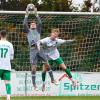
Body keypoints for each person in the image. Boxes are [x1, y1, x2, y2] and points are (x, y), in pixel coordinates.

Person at [23, 4, 58, 91]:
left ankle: (53, 79)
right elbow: (24, 23)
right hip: (32, 51)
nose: (33, 24)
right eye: (32, 24)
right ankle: (34, 85)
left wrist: (36, 14)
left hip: (40, 50)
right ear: (30, 26)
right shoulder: (28, 31)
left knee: (47, 65)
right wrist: (26, 14)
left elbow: (40, 23)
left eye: (34, 24)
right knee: (33, 68)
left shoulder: (38, 30)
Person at [0, 30, 14, 100]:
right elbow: (11, 57)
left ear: (0, 35)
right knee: (7, 83)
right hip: (7, 66)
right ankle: (8, 97)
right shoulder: (10, 44)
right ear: (6, 35)